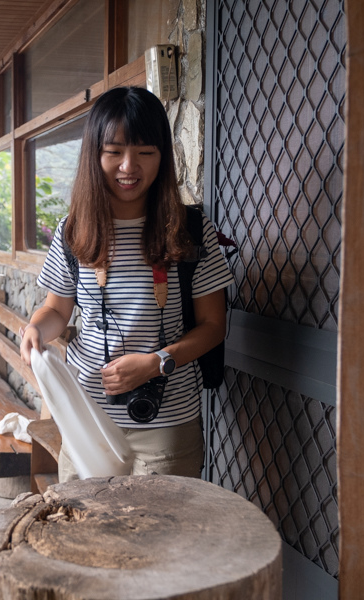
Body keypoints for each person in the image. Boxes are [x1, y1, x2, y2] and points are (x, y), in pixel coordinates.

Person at [19, 86, 233, 482]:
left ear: (163, 157)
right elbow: (56, 310)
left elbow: (213, 326)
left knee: (160, 540)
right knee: (86, 534)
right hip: (87, 421)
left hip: (167, 425)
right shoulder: (74, 231)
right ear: (94, 154)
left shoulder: (192, 230)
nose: (128, 166)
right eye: (114, 151)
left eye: (145, 152)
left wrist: (156, 363)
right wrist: (36, 328)